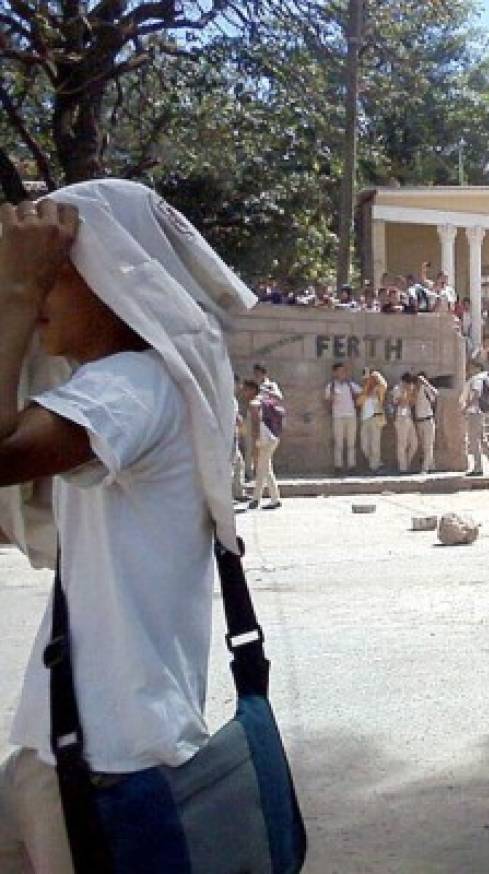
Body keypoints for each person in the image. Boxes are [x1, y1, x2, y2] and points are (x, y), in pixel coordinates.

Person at [0, 182, 258, 870]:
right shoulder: (130, 390)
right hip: (79, 748)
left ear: (112, 280)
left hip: (101, 763)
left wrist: (17, 292)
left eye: (58, 272)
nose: (44, 290)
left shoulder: (132, 389)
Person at [240, 378, 283, 509]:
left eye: (246, 390)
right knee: (266, 469)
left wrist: (255, 444)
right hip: (272, 438)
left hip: (264, 440)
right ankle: (272, 498)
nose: (243, 393)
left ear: (252, 390)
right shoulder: (264, 399)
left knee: (261, 470)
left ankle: (257, 499)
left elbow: (256, 425)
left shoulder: (254, 403)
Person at [460, 361, 489, 477]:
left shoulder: (477, 379)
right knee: (482, 440)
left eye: (472, 367)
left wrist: (465, 408)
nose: (469, 370)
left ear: (478, 368)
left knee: (474, 441)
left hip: (474, 413)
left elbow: (476, 394)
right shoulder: (485, 378)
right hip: (479, 413)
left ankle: (478, 468)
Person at [325, 362, 361, 473]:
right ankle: (338, 466)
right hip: (338, 416)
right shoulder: (331, 386)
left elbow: (362, 393)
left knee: (351, 443)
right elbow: (327, 400)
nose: (342, 373)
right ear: (335, 373)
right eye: (340, 371)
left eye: (344, 371)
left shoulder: (351, 385)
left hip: (351, 416)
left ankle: (352, 466)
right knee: (338, 443)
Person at [357, 368, 388, 474]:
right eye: (365, 380)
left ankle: (374, 467)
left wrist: (377, 375)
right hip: (365, 420)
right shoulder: (363, 392)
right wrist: (366, 390)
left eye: (369, 379)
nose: (367, 381)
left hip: (375, 418)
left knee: (375, 444)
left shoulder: (378, 391)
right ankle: (376, 463)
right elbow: (359, 402)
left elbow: (384, 385)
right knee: (364, 445)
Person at [392, 373, 419, 473]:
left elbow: (412, 403)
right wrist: (406, 391)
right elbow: (401, 403)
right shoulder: (397, 389)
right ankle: (402, 468)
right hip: (400, 418)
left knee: (414, 443)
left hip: (408, 417)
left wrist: (413, 393)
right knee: (402, 444)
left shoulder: (409, 389)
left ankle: (407, 462)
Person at [413, 371, 439, 474]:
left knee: (428, 445)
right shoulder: (415, 390)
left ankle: (425, 469)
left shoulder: (426, 389)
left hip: (428, 419)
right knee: (424, 446)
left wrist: (426, 383)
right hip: (419, 421)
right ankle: (431, 465)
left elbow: (436, 394)